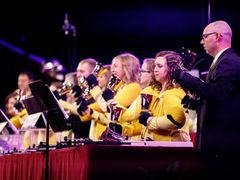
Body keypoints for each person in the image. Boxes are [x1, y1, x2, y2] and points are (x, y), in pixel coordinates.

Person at [171, 20, 240, 178]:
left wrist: (184, 77)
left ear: (217, 36)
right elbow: (221, 101)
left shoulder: (229, 61)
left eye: (204, 37)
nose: (201, 41)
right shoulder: (222, 61)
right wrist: (197, 103)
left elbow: (217, 92)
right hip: (218, 147)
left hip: (223, 149)